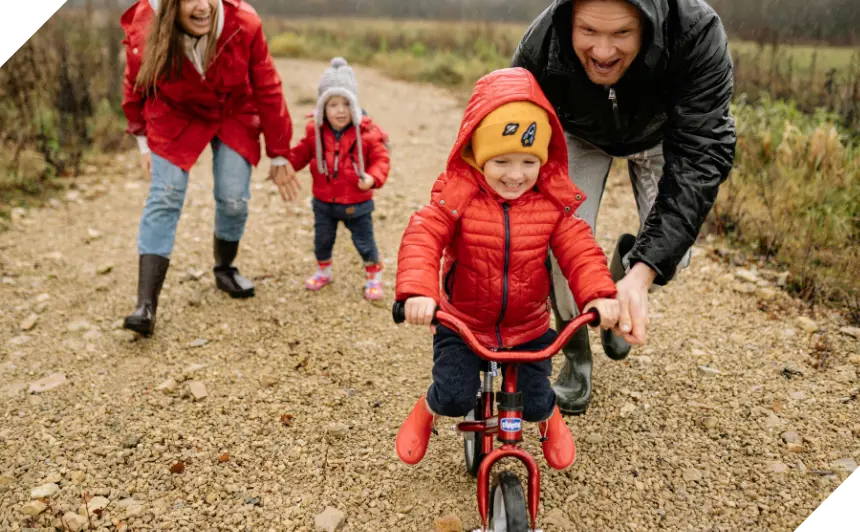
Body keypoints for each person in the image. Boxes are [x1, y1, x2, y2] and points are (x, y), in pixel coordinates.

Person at [511, 0, 737, 414]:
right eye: (589, 32)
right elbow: (511, 133)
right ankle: (576, 354)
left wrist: (642, 272)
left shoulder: (696, 33)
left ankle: (622, 281)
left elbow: (703, 156)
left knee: (675, 252)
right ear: (569, 20)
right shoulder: (542, 42)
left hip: (660, 133)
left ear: (648, 25)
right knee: (560, 247)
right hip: (577, 132)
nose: (602, 52)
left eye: (621, 34)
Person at [392, 67, 621, 470]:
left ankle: (549, 418)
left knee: (535, 400)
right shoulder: (458, 196)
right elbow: (424, 235)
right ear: (477, 155)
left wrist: (599, 294)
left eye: (528, 161)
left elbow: (580, 249)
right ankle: (428, 409)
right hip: (462, 321)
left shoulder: (551, 205)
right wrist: (418, 292)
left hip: (527, 327)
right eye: (501, 161)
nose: (516, 175)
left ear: (544, 158)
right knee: (454, 394)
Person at [119, 0, 302, 336]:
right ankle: (145, 305)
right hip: (174, 114)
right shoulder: (147, 26)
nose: (203, 6)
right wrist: (142, 140)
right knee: (166, 195)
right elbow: (135, 84)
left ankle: (225, 268)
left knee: (233, 198)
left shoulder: (244, 23)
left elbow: (267, 87)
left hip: (232, 111)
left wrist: (279, 152)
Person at [289, 57, 391, 301]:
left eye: (346, 103)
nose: (340, 110)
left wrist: (372, 177)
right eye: (333, 104)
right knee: (322, 240)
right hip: (324, 201)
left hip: (357, 202)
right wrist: (286, 165)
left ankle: (373, 277)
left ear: (355, 106)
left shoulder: (366, 133)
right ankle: (323, 271)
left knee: (364, 242)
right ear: (322, 107)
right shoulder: (315, 132)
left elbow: (381, 160)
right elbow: (303, 152)